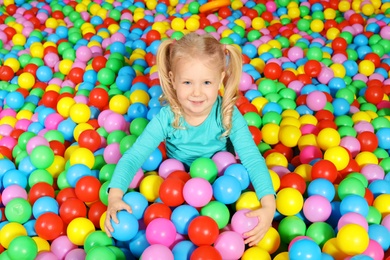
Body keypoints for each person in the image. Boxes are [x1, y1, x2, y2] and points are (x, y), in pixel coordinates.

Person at [104, 32, 276, 247]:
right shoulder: (168, 117)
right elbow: (134, 156)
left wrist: (269, 205)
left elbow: (251, 157)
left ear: (220, 79)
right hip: (176, 182)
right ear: (172, 80)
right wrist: (115, 196)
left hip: (223, 182)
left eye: (206, 82)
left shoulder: (227, 113)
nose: (197, 93)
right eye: (187, 82)